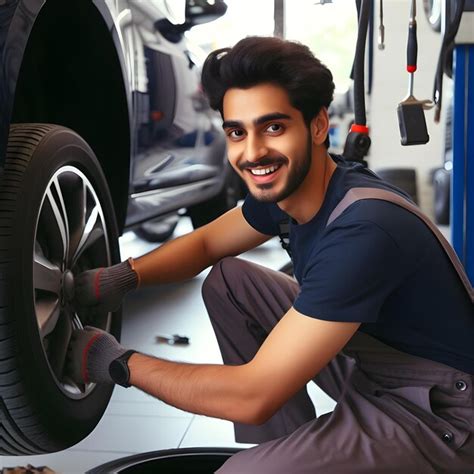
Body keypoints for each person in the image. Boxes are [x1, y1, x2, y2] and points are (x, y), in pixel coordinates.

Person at [68, 36, 474, 473]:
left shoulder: (365, 229)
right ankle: (288, 451)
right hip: (376, 369)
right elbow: (205, 244)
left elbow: (252, 395)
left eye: (273, 127)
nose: (253, 151)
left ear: (318, 126)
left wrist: (113, 361)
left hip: (444, 416)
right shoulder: (294, 186)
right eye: (237, 132)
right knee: (231, 282)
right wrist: (119, 278)